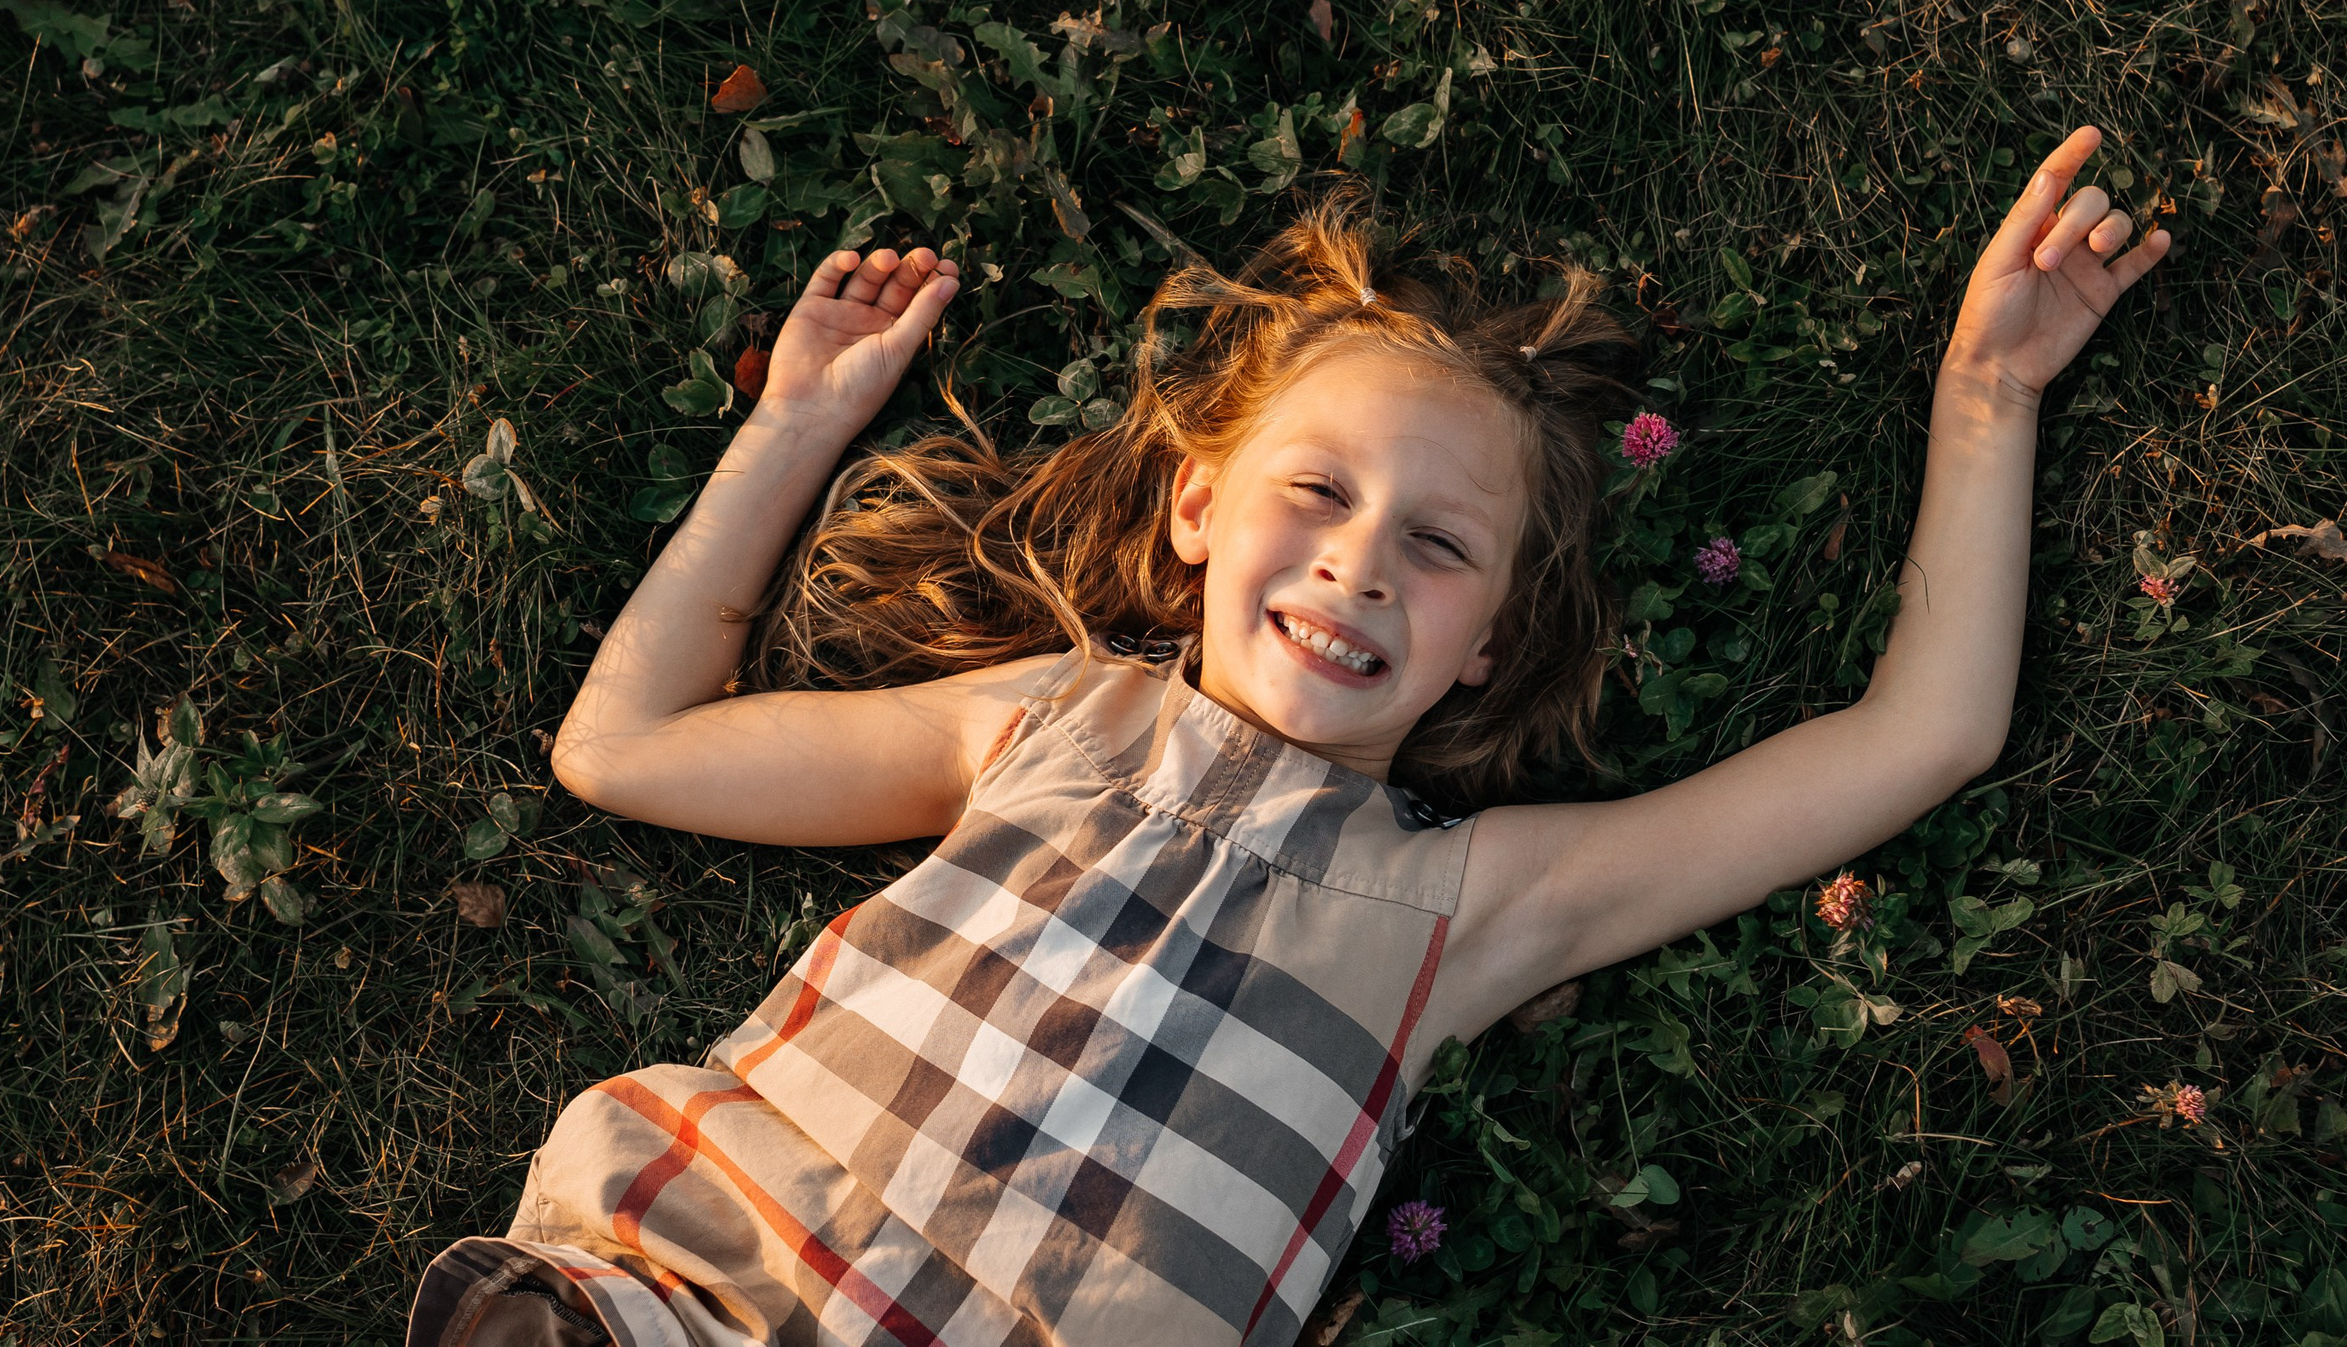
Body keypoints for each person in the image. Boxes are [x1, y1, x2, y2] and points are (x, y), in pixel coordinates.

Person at [407, 128, 2166, 1347]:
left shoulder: (1464, 908)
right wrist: (793, 427)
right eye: (1316, 491)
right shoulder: (1049, 729)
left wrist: (1989, 395)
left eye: (1439, 545)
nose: (1358, 560)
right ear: (1194, 509)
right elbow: (623, 746)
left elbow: (1922, 734)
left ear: (1486, 652)